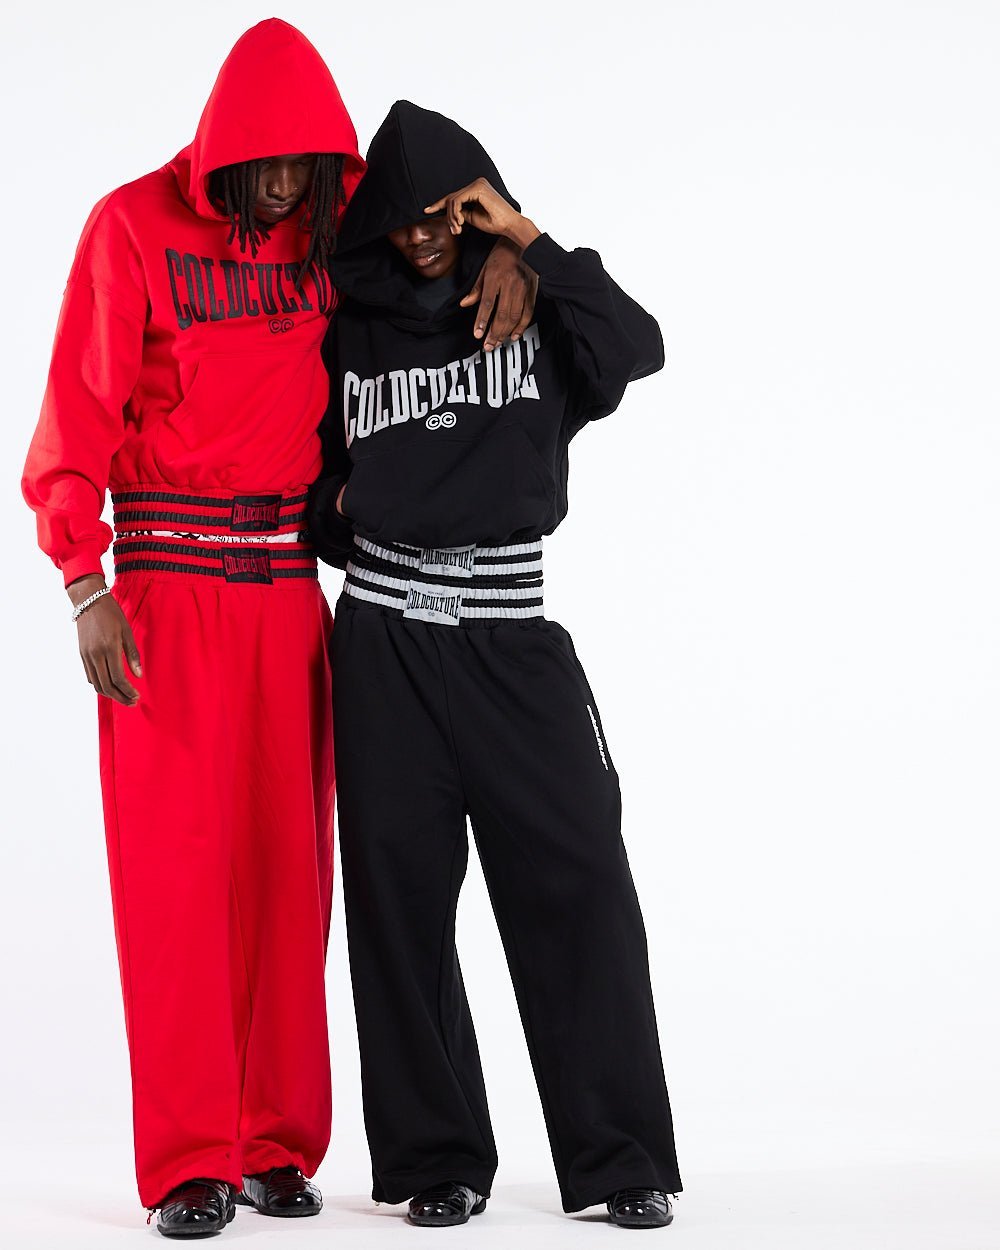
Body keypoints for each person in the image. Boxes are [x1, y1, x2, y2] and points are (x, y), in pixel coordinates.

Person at [22, 26, 535, 1239]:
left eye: (309, 166)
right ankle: (189, 1159)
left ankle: (273, 1142)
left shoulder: (327, 242)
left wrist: (523, 254)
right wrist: (83, 582)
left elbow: (430, 261)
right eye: (268, 165)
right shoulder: (130, 227)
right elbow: (74, 410)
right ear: (223, 150)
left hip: (289, 590)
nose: (286, 186)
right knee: (175, 878)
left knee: (289, 876)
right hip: (164, 585)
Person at [309, 100, 683, 1231]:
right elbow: (317, 482)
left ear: (479, 207)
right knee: (400, 904)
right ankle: (438, 1160)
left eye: (449, 213)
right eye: (405, 218)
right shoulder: (349, 328)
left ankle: (620, 1159)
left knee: (580, 886)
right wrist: (360, 515)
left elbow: (638, 346)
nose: (427, 235)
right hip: (383, 646)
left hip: (511, 640)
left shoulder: (534, 305)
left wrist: (527, 239)